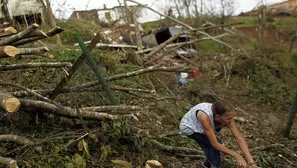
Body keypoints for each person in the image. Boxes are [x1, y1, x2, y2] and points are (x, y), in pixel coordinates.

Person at [179, 100, 257, 168]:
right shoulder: (204, 116)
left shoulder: (226, 117)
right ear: (218, 117)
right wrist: (237, 155)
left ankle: (206, 165)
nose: (231, 120)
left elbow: (239, 138)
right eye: (228, 118)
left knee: (209, 148)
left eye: (232, 117)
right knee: (214, 144)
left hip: (203, 127)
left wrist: (251, 162)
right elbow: (215, 144)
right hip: (189, 127)